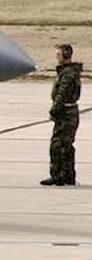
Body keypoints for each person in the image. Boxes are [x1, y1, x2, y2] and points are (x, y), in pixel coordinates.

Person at [43, 44, 81, 186]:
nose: (56, 57)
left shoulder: (68, 74)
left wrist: (54, 110)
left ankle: (58, 176)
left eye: (58, 54)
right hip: (68, 112)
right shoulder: (68, 72)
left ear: (65, 55)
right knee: (66, 145)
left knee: (57, 145)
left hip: (66, 113)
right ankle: (67, 175)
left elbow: (62, 94)